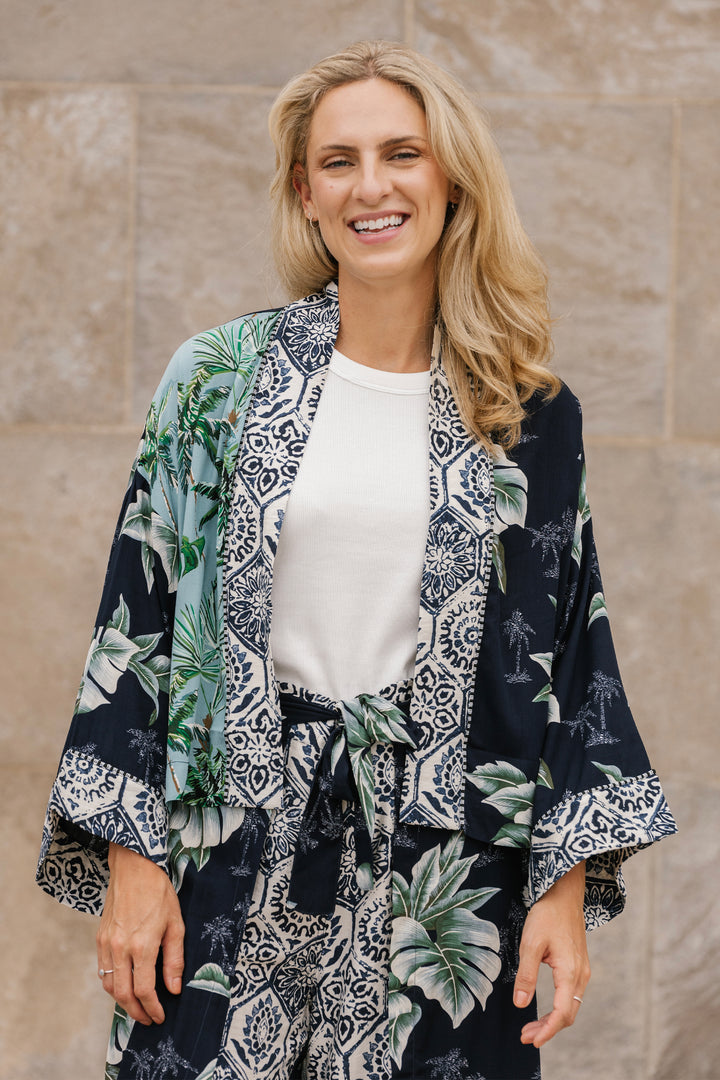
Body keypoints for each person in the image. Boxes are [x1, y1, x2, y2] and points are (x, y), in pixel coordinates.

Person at [37, 40, 676, 1080]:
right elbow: (136, 620)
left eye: (401, 154)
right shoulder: (218, 381)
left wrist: (562, 889)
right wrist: (132, 861)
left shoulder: (526, 418)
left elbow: (572, 651)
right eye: (338, 161)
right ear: (305, 190)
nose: (370, 186)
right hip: (226, 852)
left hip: (447, 880)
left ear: (451, 179)